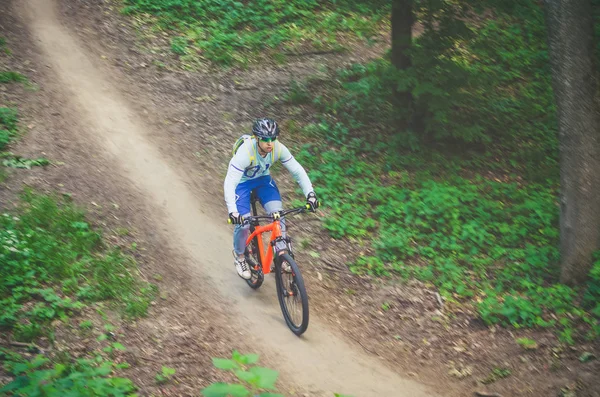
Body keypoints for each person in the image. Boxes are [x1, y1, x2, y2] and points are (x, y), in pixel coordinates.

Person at [223, 118, 319, 279]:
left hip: (263, 180)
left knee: (278, 213)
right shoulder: (245, 153)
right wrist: (233, 211)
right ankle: (240, 257)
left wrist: (310, 194)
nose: (270, 143)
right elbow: (230, 182)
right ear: (256, 138)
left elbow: (297, 170)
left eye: (273, 139)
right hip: (242, 184)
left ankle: (281, 253)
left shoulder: (278, 149)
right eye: (265, 139)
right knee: (244, 223)